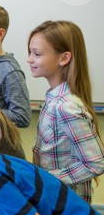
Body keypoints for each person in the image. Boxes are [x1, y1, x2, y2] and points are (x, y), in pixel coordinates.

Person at [28, 20, 104, 203]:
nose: (29, 59)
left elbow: (95, 163)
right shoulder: (53, 99)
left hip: (66, 206)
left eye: (36, 54)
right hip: (52, 200)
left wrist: (45, 179)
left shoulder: (66, 107)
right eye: (30, 52)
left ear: (64, 58)